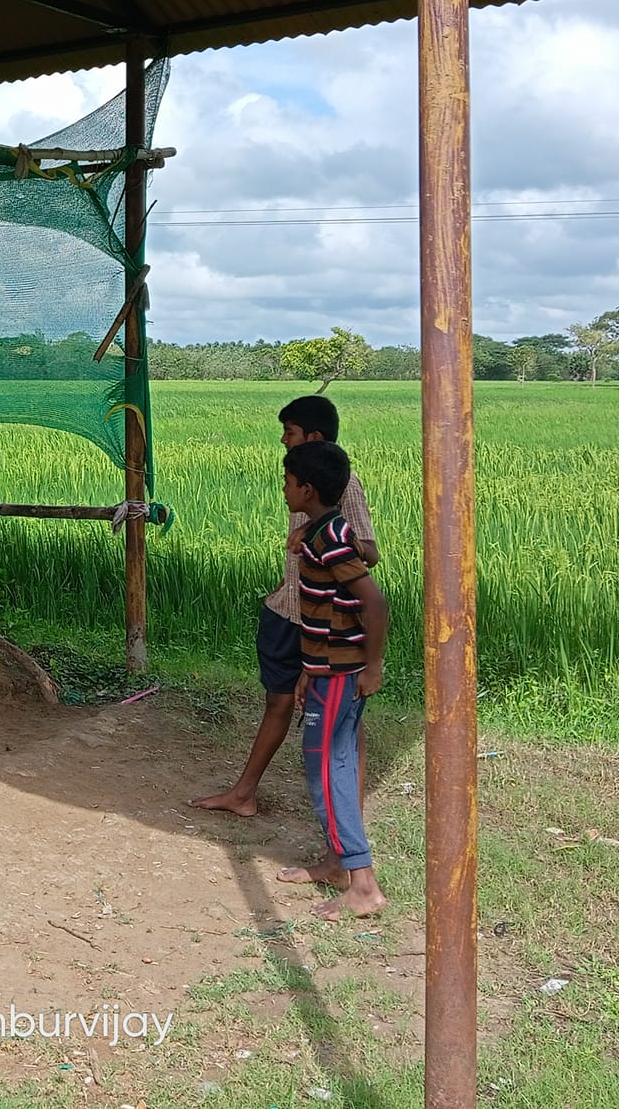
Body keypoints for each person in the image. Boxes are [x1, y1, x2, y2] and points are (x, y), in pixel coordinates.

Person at [192, 394, 377, 818]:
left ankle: (350, 812)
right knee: (278, 701)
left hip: (327, 619)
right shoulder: (299, 479)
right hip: (289, 610)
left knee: (346, 721)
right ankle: (244, 794)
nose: (282, 440)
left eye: (289, 433)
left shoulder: (342, 485)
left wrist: (315, 530)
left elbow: (369, 552)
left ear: (312, 437)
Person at [272, 439, 388, 919]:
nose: (283, 489)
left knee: (327, 771)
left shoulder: (330, 540)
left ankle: (362, 883)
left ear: (307, 489)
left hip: (342, 674)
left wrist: (373, 665)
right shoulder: (323, 530)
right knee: (331, 765)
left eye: (287, 482)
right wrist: (307, 670)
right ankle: (336, 864)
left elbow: (374, 604)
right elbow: (324, 613)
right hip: (327, 670)